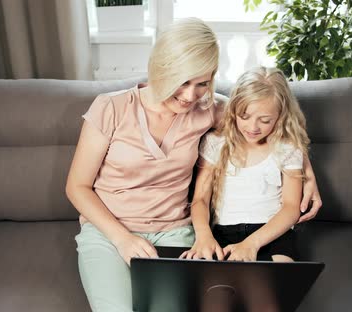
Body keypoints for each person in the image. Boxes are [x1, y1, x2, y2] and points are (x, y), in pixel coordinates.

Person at [65, 19, 322, 312]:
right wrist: (122, 239)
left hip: (174, 231)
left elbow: (272, 122)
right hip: (108, 232)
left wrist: (308, 174)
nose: (190, 96)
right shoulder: (110, 108)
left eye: (202, 83)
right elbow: (77, 187)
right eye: (183, 81)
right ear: (162, 68)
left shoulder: (209, 110)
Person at [181, 66, 309, 262]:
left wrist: (252, 243)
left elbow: (291, 207)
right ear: (233, 111)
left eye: (265, 120)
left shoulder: (287, 148)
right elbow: (200, 200)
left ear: (281, 116)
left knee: (280, 279)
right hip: (224, 233)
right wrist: (204, 235)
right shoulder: (216, 143)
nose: (253, 127)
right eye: (245, 116)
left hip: (273, 233)